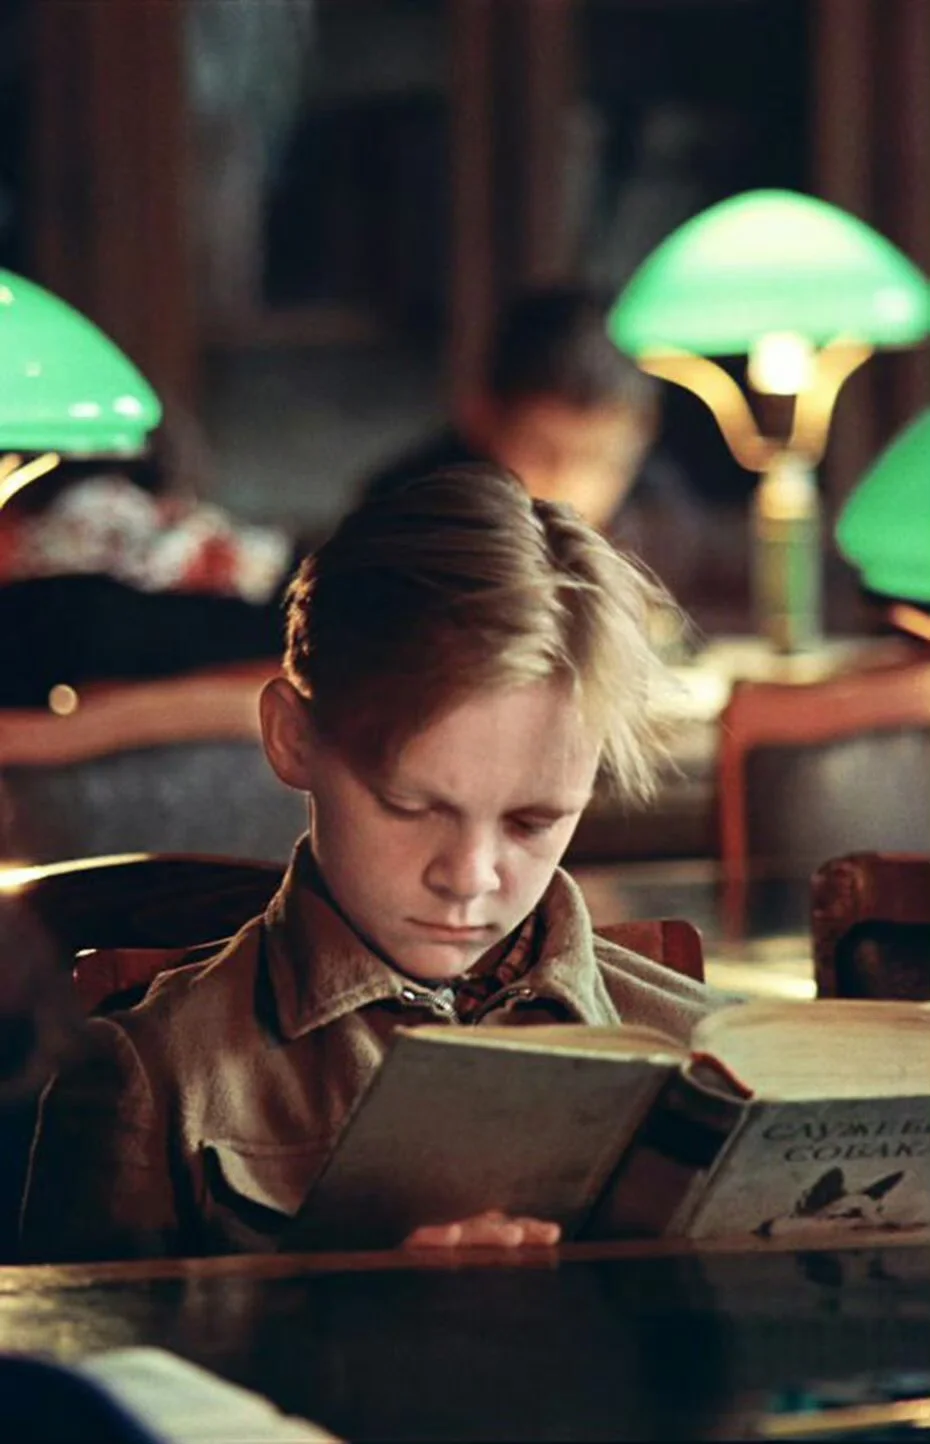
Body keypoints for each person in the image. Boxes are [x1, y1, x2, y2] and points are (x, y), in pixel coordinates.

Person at [20, 465, 724, 1262]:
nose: (469, 876)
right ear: (293, 738)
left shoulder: (715, 1047)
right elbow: (77, 1382)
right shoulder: (154, 1085)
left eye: (533, 821)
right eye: (412, 807)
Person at [360, 285, 702, 593]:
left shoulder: (659, 519)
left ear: (643, 433)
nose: (572, 487)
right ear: (479, 416)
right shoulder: (405, 524)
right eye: (541, 453)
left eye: (601, 459)